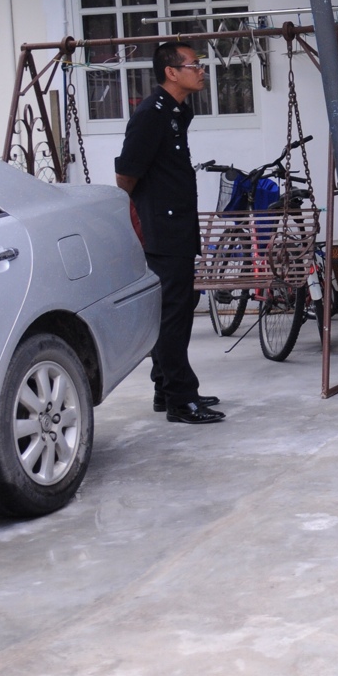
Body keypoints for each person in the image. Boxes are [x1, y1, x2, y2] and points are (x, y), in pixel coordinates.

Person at [115, 41, 224, 424]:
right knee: (174, 314)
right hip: (163, 229)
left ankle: (167, 388)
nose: (201, 70)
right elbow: (127, 172)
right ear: (171, 72)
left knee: (175, 310)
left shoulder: (174, 111)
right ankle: (181, 399)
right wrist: (133, 218)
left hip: (176, 225)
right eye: (195, 65)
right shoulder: (152, 114)